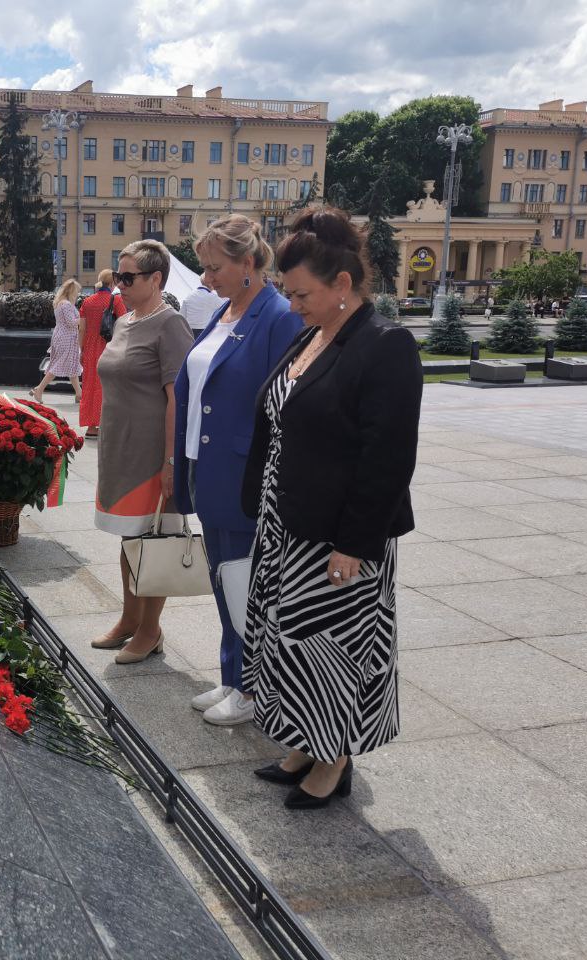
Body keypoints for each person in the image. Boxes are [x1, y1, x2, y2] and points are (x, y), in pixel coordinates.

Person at [240, 206, 422, 810]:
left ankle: (333, 759)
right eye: (288, 294)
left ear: (342, 285)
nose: (293, 305)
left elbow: (388, 458)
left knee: (329, 649)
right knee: (287, 640)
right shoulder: (312, 334)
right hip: (286, 524)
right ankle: (302, 744)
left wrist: (355, 541)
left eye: (302, 294)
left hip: (335, 537)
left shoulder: (384, 345)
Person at [173, 215, 302, 726]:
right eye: (203, 267)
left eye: (214, 267)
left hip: (245, 473)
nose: (206, 278)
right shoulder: (226, 311)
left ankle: (252, 688)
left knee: (244, 583)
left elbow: (283, 404)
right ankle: (232, 675)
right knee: (224, 578)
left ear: (249, 263)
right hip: (205, 468)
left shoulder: (276, 316)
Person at [92, 240, 194, 663]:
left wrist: (172, 461)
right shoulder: (126, 320)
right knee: (130, 539)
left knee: (155, 541)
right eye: (118, 275)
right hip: (120, 448)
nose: (119, 284)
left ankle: (150, 630)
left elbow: (178, 399)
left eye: (128, 277)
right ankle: (129, 619)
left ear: (156, 279)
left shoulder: (170, 325)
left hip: (153, 455)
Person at [78, 270, 125, 438]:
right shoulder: (116, 300)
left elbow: (82, 328)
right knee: (107, 386)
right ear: (112, 283)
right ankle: (106, 424)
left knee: (89, 386)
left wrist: (81, 349)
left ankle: (91, 426)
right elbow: (124, 324)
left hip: (90, 347)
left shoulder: (87, 301)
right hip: (108, 346)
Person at [31, 278, 83, 404]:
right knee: (59, 365)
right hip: (67, 338)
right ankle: (39, 389)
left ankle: (79, 394)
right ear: (71, 291)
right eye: (77, 291)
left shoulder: (61, 303)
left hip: (63, 336)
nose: (78, 294)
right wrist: (84, 320)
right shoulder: (66, 304)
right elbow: (71, 323)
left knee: (72, 366)